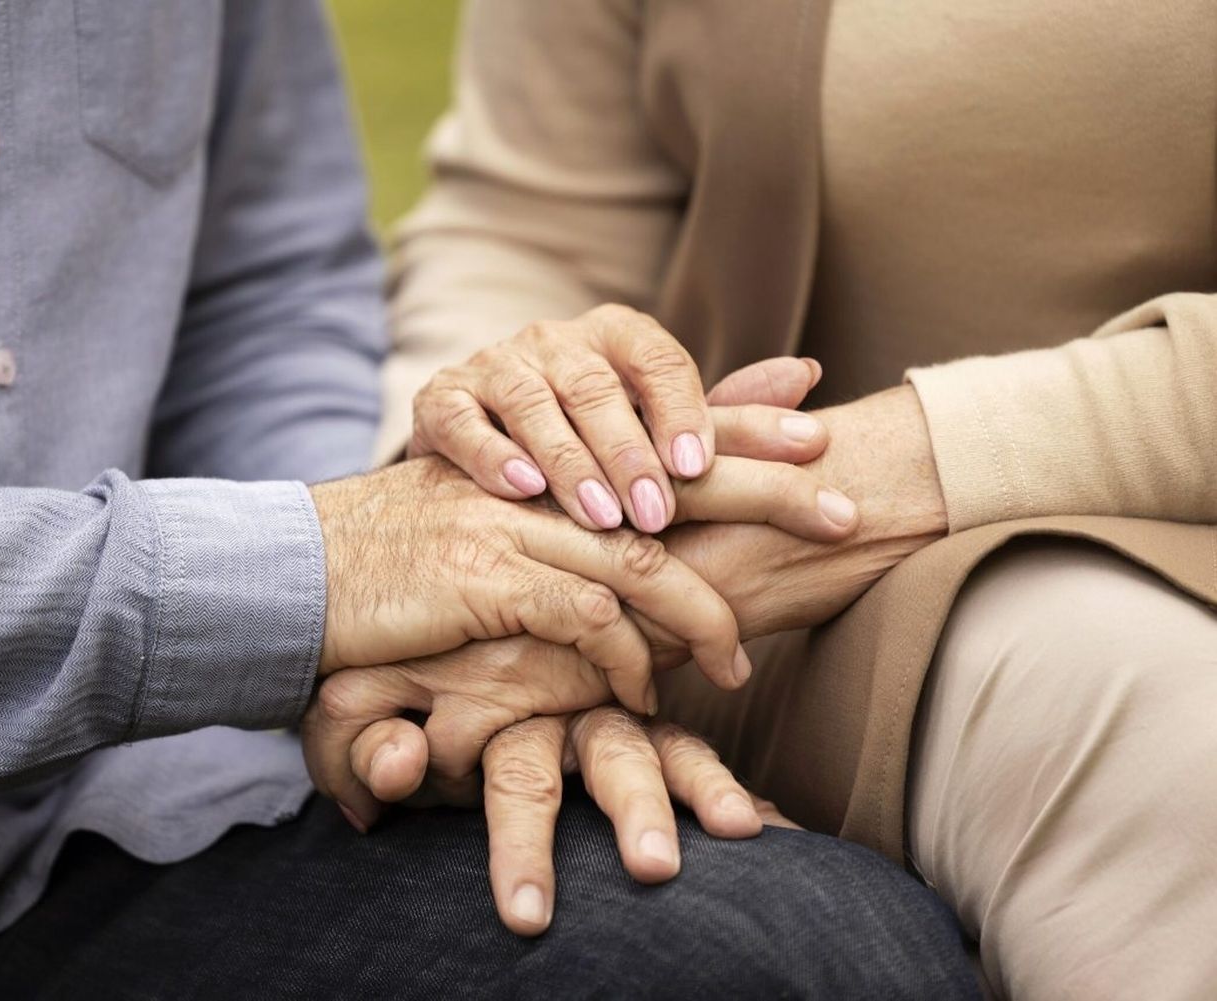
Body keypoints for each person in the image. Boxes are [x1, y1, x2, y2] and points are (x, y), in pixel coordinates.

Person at [0, 2, 978, 999]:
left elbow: (264, 289)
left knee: (809, 955)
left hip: (105, 812)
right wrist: (322, 582)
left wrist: (448, 647)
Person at [372, 1, 1217, 998]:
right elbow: (530, 221)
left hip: (1104, 600)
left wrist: (875, 472)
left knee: (1154, 731)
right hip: (699, 612)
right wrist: (458, 556)